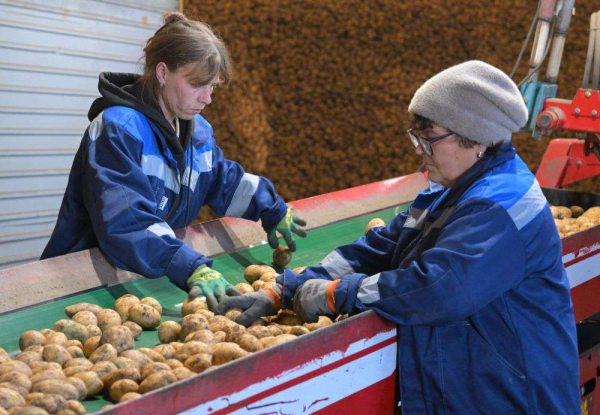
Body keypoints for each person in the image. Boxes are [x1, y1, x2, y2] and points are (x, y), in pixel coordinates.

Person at [215, 61, 580, 413]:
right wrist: (285, 290)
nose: (418, 149)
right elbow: (380, 248)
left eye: (429, 138)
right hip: (475, 390)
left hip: (513, 399)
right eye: (416, 136)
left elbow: (437, 289)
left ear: (476, 140)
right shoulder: (450, 190)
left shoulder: (497, 206)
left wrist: (337, 294)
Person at [41, 11, 306, 309]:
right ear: (163, 73)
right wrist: (187, 265)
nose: (207, 98)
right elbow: (126, 220)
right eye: (197, 85)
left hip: (142, 277)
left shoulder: (195, 131)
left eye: (213, 86)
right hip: (83, 284)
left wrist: (270, 206)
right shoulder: (118, 130)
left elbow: (221, 180)